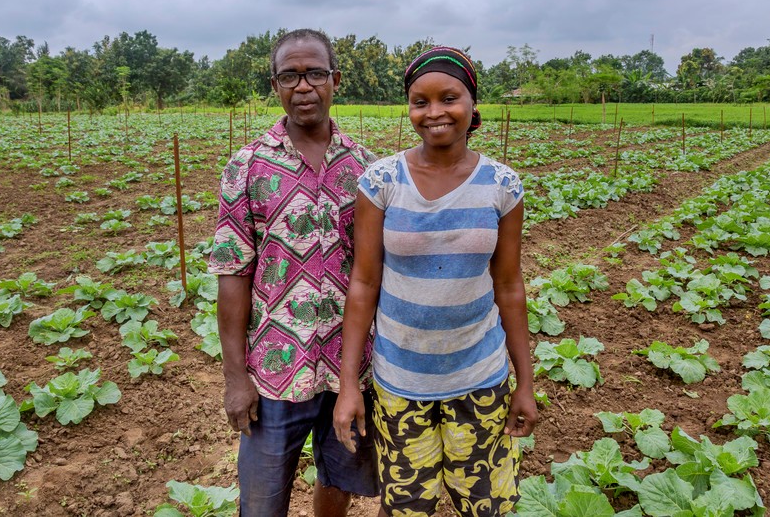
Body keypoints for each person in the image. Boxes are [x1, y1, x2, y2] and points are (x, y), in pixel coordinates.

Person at [333, 46, 537, 516]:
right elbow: (363, 283)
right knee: (407, 506)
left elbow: (508, 286)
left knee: (484, 506)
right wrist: (349, 385)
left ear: (472, 104)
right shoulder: (381, 181)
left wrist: (524, 381)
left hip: (480, 377)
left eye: (449, 97)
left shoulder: (502, 185)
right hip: (400, 380)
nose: (435, 112)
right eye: (420, 102)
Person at [209, 28, 379, 517]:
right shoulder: (247, 166)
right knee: (262, 501)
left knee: (339, 480)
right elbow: (233, 273)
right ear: (275, 84)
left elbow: (374, 270)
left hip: (351, 368)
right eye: (290, 76)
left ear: (335, 80)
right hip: (275, 369)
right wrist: (235, 376)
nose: (303, 87)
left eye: (315, 74)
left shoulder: (366, 167)